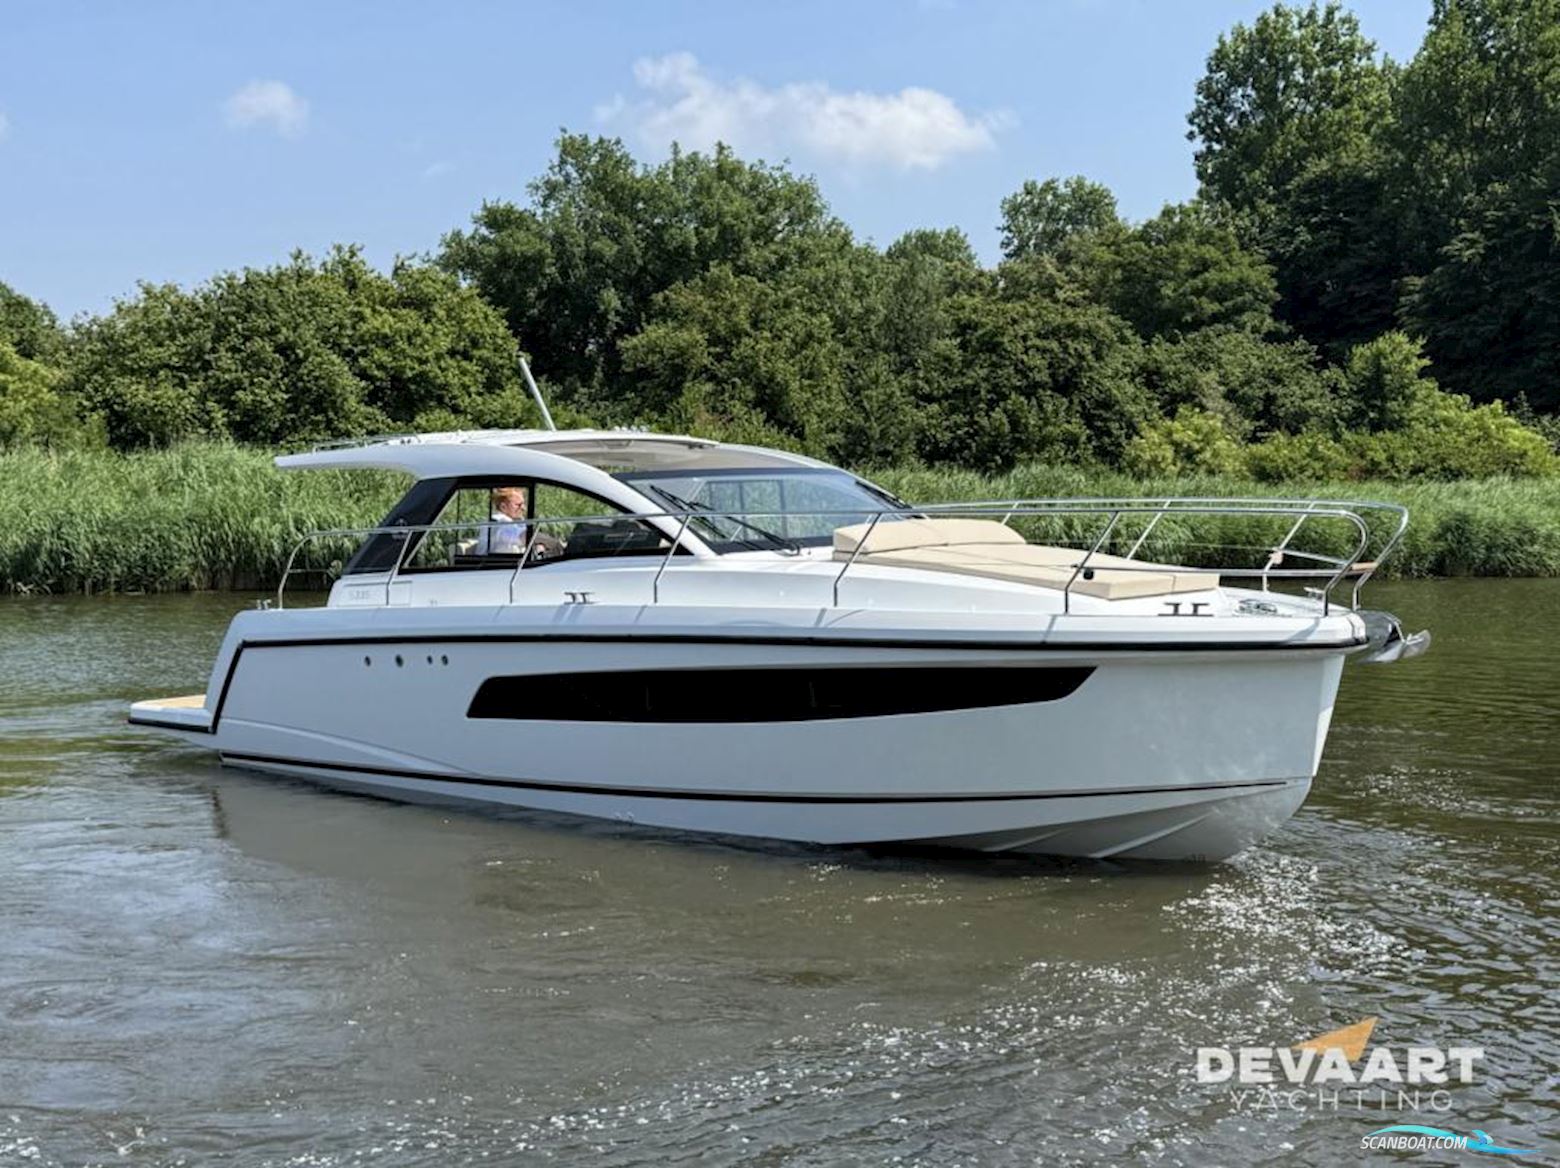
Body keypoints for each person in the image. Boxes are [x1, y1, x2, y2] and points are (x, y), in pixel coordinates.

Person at [476, 486, 528, 555]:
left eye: (523, 504)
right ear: (503, 507)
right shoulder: (498, 521)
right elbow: (519, 536)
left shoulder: (515, 521)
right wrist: (542, 539)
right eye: (518, 505)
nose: (523, 508)